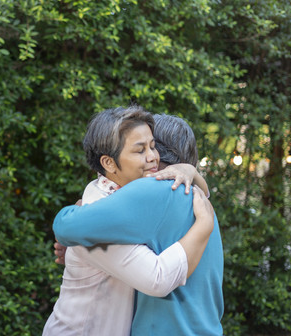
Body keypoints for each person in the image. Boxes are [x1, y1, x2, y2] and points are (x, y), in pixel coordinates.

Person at [42, 106, 216, 335]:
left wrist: (190, 172)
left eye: (153, 146)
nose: (153, 157)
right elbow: (158, 279)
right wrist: (204, 226)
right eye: (140, 150)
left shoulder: (125, 202)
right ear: (109, 163)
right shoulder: (101, 215)